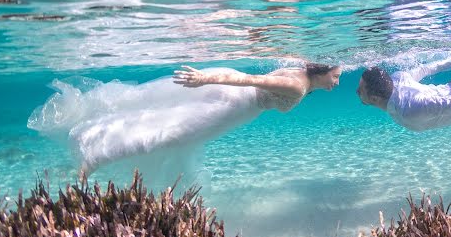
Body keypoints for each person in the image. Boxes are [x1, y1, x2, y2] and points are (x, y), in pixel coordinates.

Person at [28, 62, 341, 178]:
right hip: (231, 105)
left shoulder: (298, 69)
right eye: (336, 76)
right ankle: (92, 158)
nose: (337, 83)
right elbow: (246, 78)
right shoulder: (296, 84)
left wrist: (209, 78)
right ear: (323, 69)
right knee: (170, 134)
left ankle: (94, 141)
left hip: (232, 101)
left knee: (163, 120)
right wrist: (206, 77)